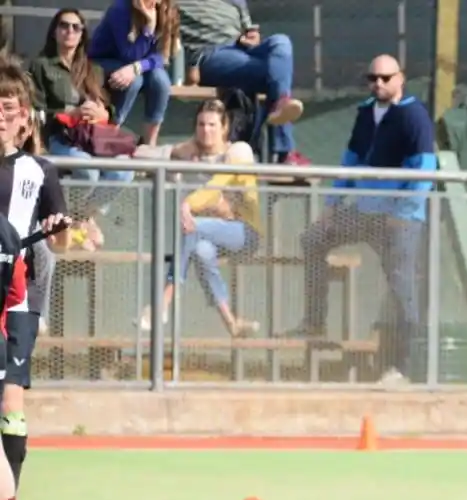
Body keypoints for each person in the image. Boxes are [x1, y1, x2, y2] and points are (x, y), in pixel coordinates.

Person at [287, 55, 435, 383]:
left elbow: (424, 170)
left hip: (399, 220)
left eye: (385, 78)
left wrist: (404, 213)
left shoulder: (415, 116)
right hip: (364, 212)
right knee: (313, 238)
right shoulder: (366, 113)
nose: (378, 84)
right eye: (372, 78)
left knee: (402, 288)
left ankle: (403, 367)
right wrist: (332, 204)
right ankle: (315, 320)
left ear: (401, 78)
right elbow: (349, 161)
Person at [0, 58, 73, 500]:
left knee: (11, 405)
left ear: (26, 118)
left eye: (8, 109)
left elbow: (63, 241)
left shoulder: (38, 170)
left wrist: (58, 225)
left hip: (14, 300)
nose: (1, 116)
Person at [137, 99, 261, 336]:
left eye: (213, 125)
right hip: (206, 235)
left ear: (225, 128)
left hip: (245, 234)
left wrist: (188, 204)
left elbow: (217, 187)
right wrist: (175, 150)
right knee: (202, 251)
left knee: (194, 227)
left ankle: (163, 301)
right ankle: (232, 323)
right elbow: (139, 154)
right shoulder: (189, 156)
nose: (206, 130)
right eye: (201, 125)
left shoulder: (237, 151)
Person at [29, 8, 134, 250]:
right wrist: (71, 114)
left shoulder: (92, 69)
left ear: (82, 35)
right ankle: (80, 221)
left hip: (93, 138)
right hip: (61, 137)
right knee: (87, 170)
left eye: (76, 27)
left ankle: (80, 218)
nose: (70, 31)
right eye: (64, 26)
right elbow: (37, 110)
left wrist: (104, 113)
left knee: (124, 171)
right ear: (54, 32)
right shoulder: (41, 65)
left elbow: (109, 110)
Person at [177, 0, 308, 166]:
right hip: (212, 55)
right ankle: (284, 153)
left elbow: (249, 31)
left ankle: (280, 106)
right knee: (276, 72)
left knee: (282, 42)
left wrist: (251, 37)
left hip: (243, 50)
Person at [87, 0, 175, 145]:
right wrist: (149, 29)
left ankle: (149, 143)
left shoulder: (167, 10)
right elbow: (129, 54)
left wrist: (137, 67)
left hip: (135, 65)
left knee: (161, 80)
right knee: (135, 80)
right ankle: (110, 131)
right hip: (103, 61)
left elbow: (163, 55)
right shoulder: (120, 8)